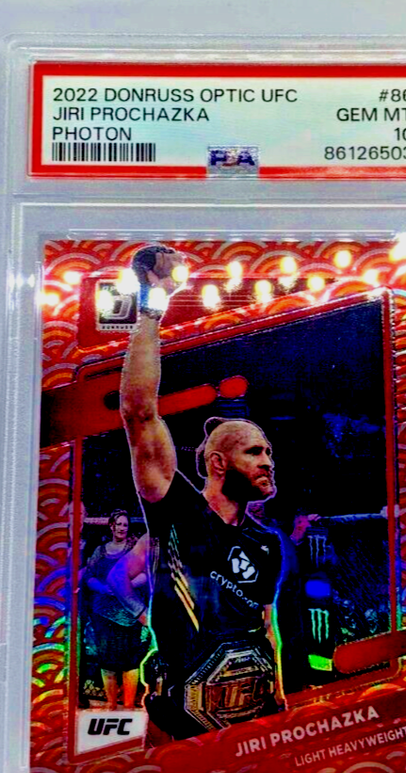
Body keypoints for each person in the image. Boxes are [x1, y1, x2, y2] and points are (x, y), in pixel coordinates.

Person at [120, 244, 285, 741]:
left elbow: (266, 623)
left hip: (253, 719)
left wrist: (280, 695)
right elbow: (140, 413)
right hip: (180, 724)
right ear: (218, 464)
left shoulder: (267, 542)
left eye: (268, 452)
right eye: (254, 452)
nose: (267, 462)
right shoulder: (177, 511)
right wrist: (153, 305)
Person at [85, 509, 148, 710]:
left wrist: (123, 587)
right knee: (107, 661)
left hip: (129, 614)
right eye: (119, 524)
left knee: (130, 662)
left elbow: (146, 575)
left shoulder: (134, 549)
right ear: (112, 526)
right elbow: (89, 576)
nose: (122, 528)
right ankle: (111, 705)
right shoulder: (100, 551)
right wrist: (104, 588)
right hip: (103, 614)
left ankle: (128, 706)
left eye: (125, 525)